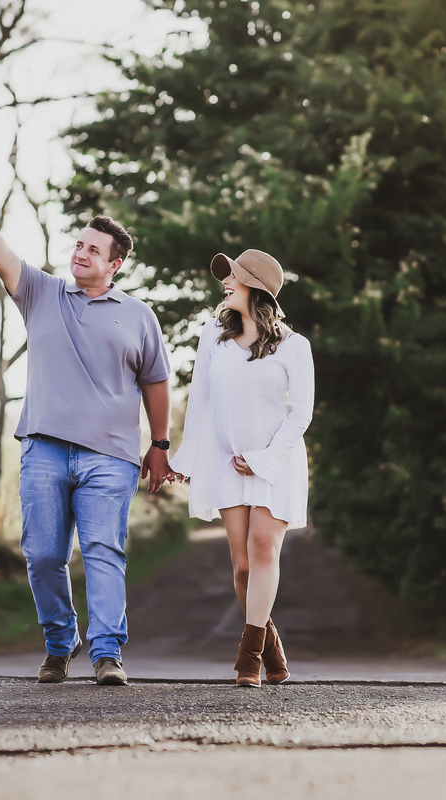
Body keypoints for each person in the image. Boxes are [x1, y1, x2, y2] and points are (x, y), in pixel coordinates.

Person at [0, 171, 173, 687]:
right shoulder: (41, 293)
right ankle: (60, 642)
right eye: (79, 244)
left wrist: (159, 445)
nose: (81, 253)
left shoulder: (139, 316)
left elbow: (156, 383)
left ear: (115, 264)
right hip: (43, 451)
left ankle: (107, 654)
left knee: (103, 551)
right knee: (44, 554)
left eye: (94, 250)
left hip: (110, 456)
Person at [169, 249, 314, 687]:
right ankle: (270, 645)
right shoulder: (213, 336)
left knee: (264, 549)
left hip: (278, 462)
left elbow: (301, 414)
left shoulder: (295, 346)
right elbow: (201, 403)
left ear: (256, 286)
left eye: (232, 277)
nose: (225, 283)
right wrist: (183, 459)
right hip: (226, 463)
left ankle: (248, 656)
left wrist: (264, 459)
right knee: (243, 566)